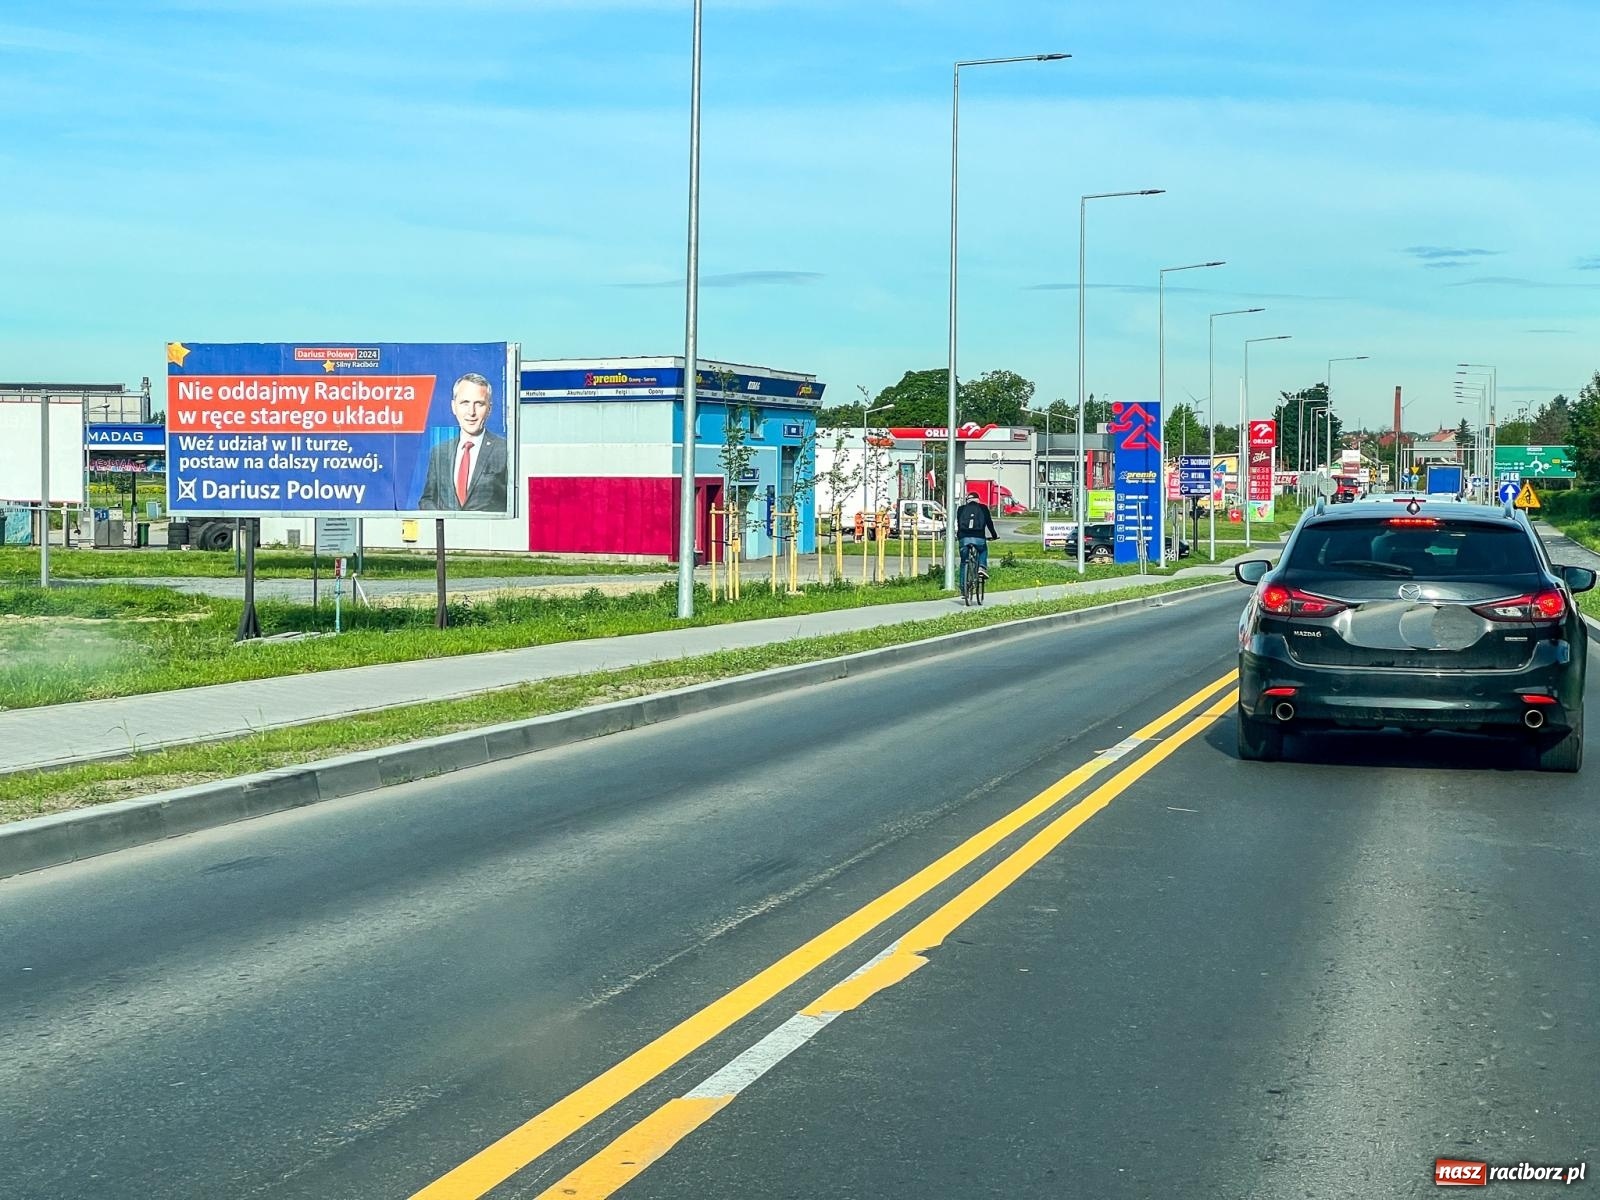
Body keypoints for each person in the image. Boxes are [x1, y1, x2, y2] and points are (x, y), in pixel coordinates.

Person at [418, 373, 508, 512]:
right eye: (465, 403)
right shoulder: (440, 452)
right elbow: (427, 500)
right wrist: (443, 521)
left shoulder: (504, 450)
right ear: (454, 407)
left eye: (479, 404)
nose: (471, 412)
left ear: (489, 409)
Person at [955, 488, 998, 581]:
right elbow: (989, 523)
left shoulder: (961, 509)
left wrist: (959, 537)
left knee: (963, 562)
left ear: (967, 500)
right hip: (979, 538)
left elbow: (959, 524)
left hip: (964, 538)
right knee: (983, 551)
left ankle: (963, 587)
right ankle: (982, 567)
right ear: (978, 500)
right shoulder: (983, 508)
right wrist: (994, 535)